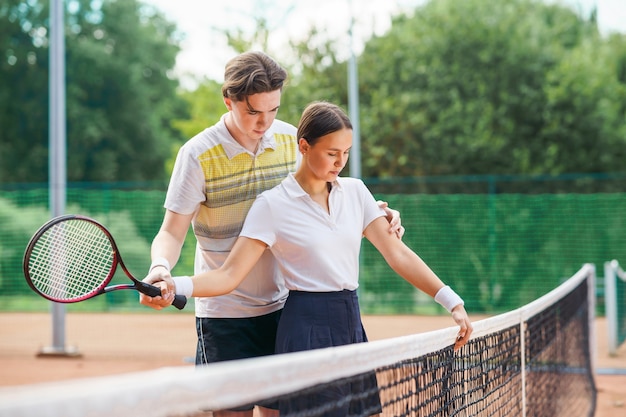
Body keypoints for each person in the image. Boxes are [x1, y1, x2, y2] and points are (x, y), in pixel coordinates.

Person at [149, 101, 473, 416]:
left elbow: (397, 254)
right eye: (331, 153)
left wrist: (452, 302)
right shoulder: (272, 205)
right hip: (305, 327)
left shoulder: (357, 192)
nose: (340, 162)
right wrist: (174, 285)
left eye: (345, 153)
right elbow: (229, 274)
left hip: (350, 321)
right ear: (303, 146)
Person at [139, 52, 403, 417]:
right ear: (228, 100)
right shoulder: (197, 155)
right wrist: (161, 267)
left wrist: (374, 215)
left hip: (286, 308)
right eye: (252, 112)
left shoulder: (292, 140)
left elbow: (323, 203)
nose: (264, 122)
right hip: (226, 314)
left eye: (273, 110)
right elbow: (171, 230)